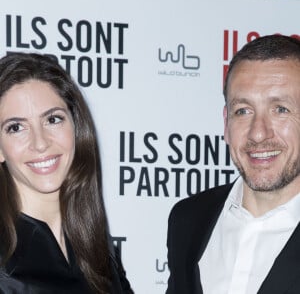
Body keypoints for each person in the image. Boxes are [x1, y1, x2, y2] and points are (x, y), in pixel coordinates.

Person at [166, 34, 300, 294]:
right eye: (243, 111)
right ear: (226, 122)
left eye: (280, 109)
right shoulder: (187, 220)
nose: (258, 133)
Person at [0, 52, 133, 294]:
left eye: (53, 119)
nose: (40, 143)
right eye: (16, 127)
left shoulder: (99, 249)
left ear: (76, 126)